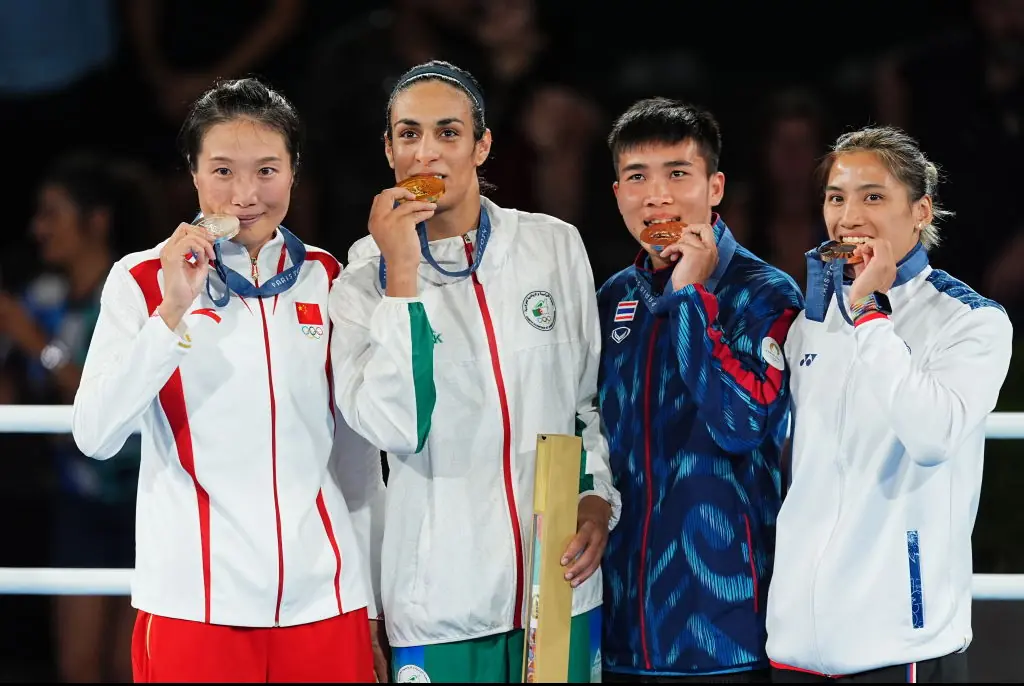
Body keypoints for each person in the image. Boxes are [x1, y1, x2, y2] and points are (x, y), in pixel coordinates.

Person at [70, 77, 384, 683]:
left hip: (325, 601)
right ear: (192, 173)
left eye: (267, 170)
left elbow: (356, 461)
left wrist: (368, 600)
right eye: (222, 171)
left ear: (294, 171)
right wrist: (172, 313)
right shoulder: (140, 280)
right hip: (195, 604)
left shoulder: (327, 277)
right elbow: (95, 435)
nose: (245, 195)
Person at [329, 59, 620, 683]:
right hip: (441, 607)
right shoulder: (359, 282)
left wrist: (597, 498)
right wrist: (401, 277)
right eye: (409, 134)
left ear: (481, 146)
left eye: (448, 132)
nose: (427, 152)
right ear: (389, 150)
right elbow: (396, 425)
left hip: (559, 590)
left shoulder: (553, 246)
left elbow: (582, 403)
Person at [766, 126, 1014, 683]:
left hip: (899, 645)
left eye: (872, 196)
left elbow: (931, 437)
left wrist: (869, 314)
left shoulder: (972, 321)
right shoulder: (811, 322)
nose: (849, 216)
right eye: (836, 197)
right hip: (793, 646)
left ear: (921, 211)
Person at [595, 97, 804, 683]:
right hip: (619, 627)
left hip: (727, 630)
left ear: (715, 188)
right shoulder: (613, 298)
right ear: (617, 193)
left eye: (677, 174)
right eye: (638, 177)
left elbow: (741, 424)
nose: (656, 196)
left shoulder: (766, 294)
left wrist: (689, 298)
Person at [0, 150, 161, 683]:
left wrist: (34, 341)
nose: (38, 228)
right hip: (78, 500)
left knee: (128, 665)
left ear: (96, 220)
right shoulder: (42, 297)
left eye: (52, 213)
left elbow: (107, 399)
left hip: (142, 496)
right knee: (79, 664)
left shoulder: (135, 294)